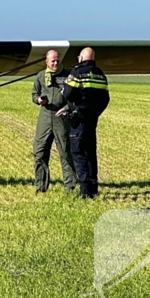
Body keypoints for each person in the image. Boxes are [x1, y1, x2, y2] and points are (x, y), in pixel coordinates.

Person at [60, 47, 110, 199]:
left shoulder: (77, 73)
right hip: (92, 119)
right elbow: (105, 99)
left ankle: (84, 190)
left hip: (79, 120)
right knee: (90, 153)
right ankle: (93, 187)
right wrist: (94, 112)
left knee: (78, 153)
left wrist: (75, 108)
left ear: (81, 58)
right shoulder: (100, 74)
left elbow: (68, 92)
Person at [30, 49, 77, 193]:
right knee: (39, 151)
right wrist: (39, 100)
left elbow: (74, 97)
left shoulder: (68, 76)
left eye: (57, 60)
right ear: (47, 62)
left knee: (65, 152)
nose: (56, 63)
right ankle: (41, 186)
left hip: (61, 117)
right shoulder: (40, 76)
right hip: (45, 115)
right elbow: (34, 94)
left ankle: (70, 187)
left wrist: (66, 108)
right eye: (53, 61)